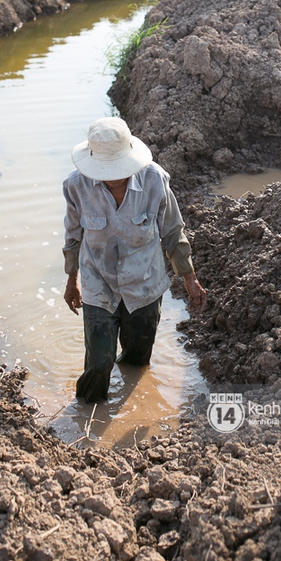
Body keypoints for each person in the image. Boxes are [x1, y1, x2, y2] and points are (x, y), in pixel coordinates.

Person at [62, 116, 207, 402]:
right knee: (98, 364)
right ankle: (86, 420)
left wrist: (190, 278)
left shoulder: (155, 180)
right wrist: (72, 281)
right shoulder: (76, 186)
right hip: (98, 283)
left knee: (136, 361)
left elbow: (172, 231)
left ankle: (131, 410)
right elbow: (73, 236)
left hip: (143, 284)